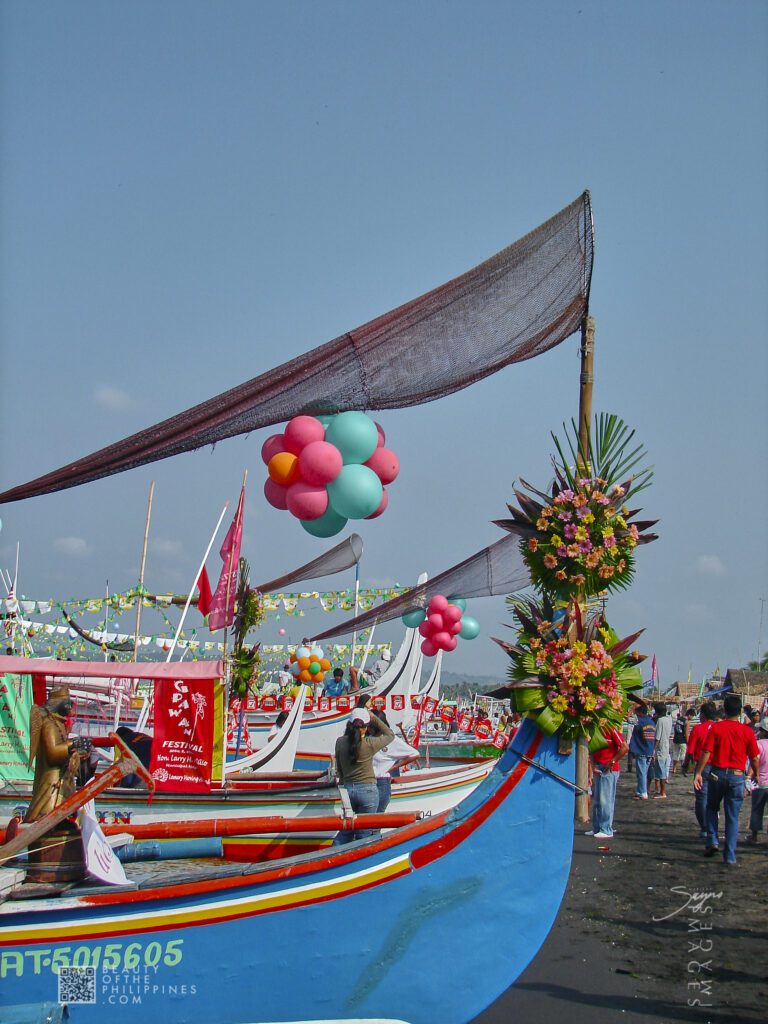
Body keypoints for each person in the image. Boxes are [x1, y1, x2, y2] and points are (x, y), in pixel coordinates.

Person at [694, 693, 760, 865]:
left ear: (724, 710)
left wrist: (699, 772)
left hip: (717, 774)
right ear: (739, 712)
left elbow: (706, 752)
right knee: (732, 817)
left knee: (711, 808)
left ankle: (713, 841)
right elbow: (754, 757)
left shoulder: (716, 728)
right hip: (737, 776)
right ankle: (730, 855)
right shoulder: (747, 731)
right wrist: (757, 775)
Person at [24, 687, 92, 820]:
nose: (70, 706)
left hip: (61, 780)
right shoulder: (49, 724)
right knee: (46, 813)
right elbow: (53, 754)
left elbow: (63, 749)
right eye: (67, 702)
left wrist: (76, 752)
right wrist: (73, 744)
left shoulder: (58, 724)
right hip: (52, 782)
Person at [333, 707, 394, 844]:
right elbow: (390, 734)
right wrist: (374, 717)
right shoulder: (369, 744)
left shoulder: (340, 742)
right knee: (364, 832)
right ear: (366, 727)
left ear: (349, 725)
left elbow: (340, 769)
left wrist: (343, 782)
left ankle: (334, 855)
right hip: (368, 791)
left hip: (347, 790)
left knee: (346, 830)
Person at [371, 710, 419, 813]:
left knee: (375, 818)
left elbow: (414, 754)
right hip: (366, 782)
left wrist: (392, 768)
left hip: (381, 782)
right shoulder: (367, 738)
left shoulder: (391, 740)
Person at [587, 723, 629, 839]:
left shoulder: (611, 729)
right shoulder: (593, 730)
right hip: (599, 767)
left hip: (609, 769)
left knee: (606, 800)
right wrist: (593, 765)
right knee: (597, 800)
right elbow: (591, 749)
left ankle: (606, 829)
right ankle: (596, 828)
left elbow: (624, 747)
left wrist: (613, 761)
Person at [684, 702, 716, 839]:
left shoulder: (698, 729)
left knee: (702, 798)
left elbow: (690, 750)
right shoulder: (718, 727)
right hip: (718, 766)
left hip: (702, 766)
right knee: (713, 798)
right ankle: (711, 826)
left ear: (702, 714)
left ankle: (705, 827)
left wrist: (686, 764)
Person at [745, 717, 768, 844]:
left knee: (757, 810)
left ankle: (754, 836)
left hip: (760, 783)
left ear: (763, 731)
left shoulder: (759, 744)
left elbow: (754, 762)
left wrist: (749, 777)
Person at [628, 703, 655, 800]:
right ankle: (640, 791)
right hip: (649, 750)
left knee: (642, 773)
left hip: (641, 749)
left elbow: (628, 719)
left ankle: (643, 793)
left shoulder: (639, 721)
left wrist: (632, 708)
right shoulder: (651, 722)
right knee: (643, 772)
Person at [652, 703, 673, 798]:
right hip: (666, 746)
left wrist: (653, 750)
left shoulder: (660, 720)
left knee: (661, 771)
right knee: (662, 769)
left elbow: (658, 737)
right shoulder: (669, 719)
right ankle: (661, 790)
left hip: (661, 748)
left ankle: (663, 792)